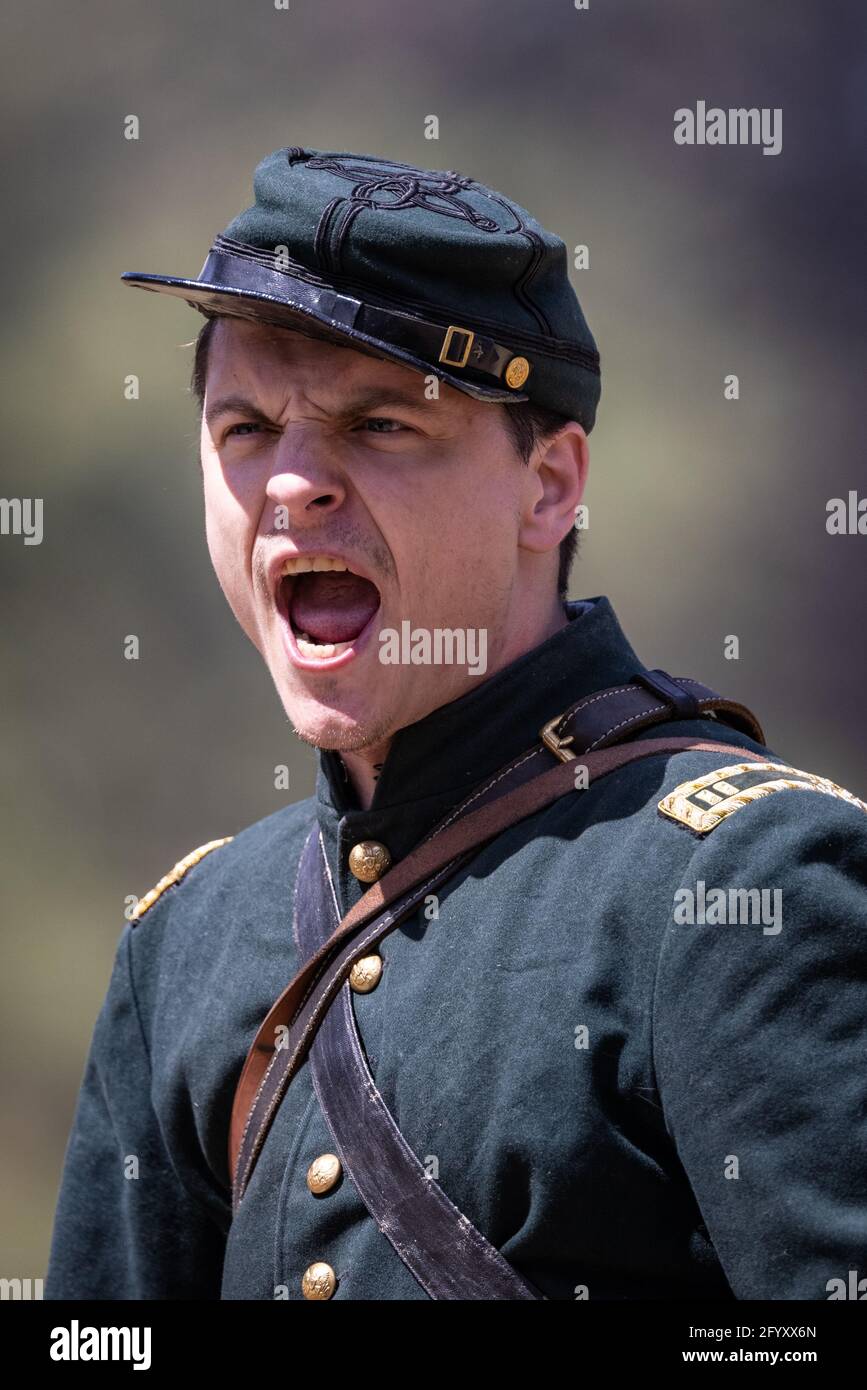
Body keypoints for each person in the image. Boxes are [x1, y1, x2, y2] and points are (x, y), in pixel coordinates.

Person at [46, 147, 867, 1301]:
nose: (292, 484)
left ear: (550, 484)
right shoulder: (184, 944)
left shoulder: (743, 883)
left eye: (379, 423)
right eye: (244, 429)